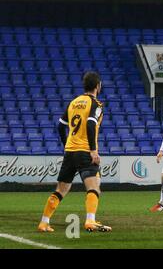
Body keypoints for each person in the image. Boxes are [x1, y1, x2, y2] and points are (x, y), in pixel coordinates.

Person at [37, 72, 111, 232]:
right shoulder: (96, 104)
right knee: (94, 187)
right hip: (85, 151)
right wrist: (93, 150)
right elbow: (91, 124)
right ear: (98, 86)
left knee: (61, 190)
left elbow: (60, 125)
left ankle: (44, 222)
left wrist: (67, 145)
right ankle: (90, 221)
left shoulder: (73, 102)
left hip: (70, 151)